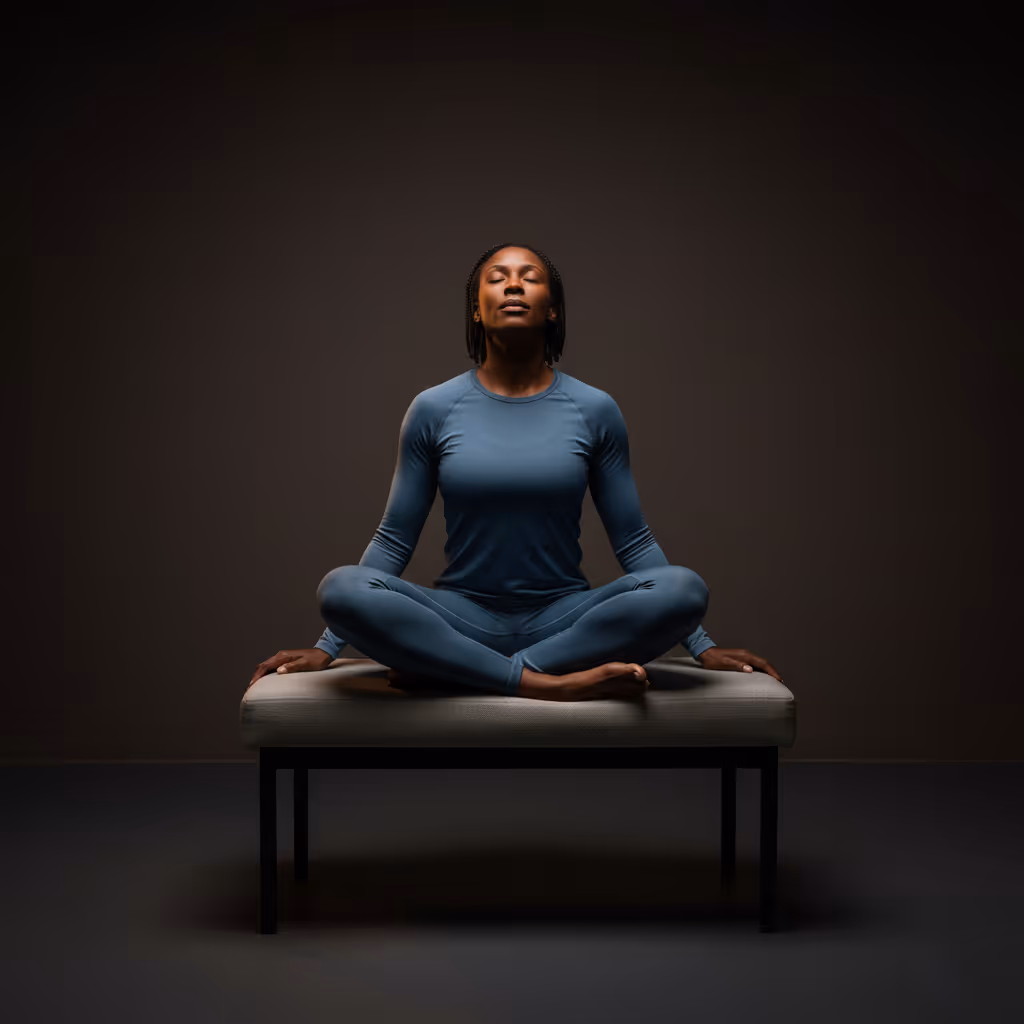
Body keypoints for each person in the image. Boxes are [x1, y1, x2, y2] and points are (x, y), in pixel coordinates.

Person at [248, 243, 783, 700]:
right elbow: (392, 541)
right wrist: (327, 645)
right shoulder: (434, 408)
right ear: (476, 310)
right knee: (342, 588)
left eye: (530, 278)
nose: (513, 286)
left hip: (568, 619)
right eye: (497, 278)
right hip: (460, 616)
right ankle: (544, 684)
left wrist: (701, 643)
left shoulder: (594, 409)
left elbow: (635, 541)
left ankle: (457, 672)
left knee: (683, 589)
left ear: (553, 309)